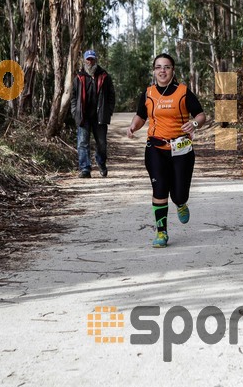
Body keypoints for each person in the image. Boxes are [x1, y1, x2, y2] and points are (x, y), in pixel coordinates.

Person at [127, 53, 206, 248]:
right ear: (154, 71)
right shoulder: (148, 93)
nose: (162, 70)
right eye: (158, 67)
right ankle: (161, 232)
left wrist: (194, 124)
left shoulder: (183, 92)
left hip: (181, 149)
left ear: (172, 70)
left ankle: (181, 202)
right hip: (155, 147)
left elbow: (201, 115)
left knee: (179, 194)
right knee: (159, 188)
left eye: (167, 67)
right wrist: (133, 127)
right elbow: (140, 116)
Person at [71, 50, 116, 178]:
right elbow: (73, 96)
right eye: (88, 59)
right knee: (82, 143)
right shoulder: (79, 77)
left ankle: (101, 163)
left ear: (96, 60)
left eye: (92, 59)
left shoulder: (104, 76)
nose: (90, 62)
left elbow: (111, 96)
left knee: (101, 143)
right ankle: (85, 169)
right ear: (84, 61)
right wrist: (75, 112)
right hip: (83, 117)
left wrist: (109, 111)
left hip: (100, 117)